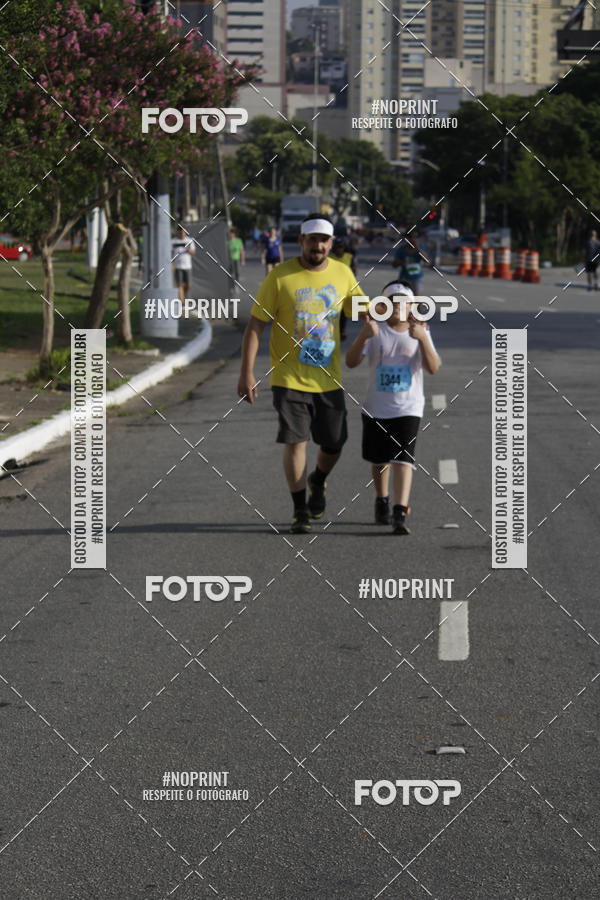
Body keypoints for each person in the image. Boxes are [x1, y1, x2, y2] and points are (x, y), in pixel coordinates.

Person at [237, 213, 362, 534]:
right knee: (296, 441)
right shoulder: (280, 278)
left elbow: (361, 309)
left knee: (334, 443)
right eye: (312, 239)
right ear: (301, 241)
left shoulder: (343, 273)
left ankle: (317, 479)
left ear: (331, 244)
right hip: (288, 377)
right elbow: (255, 326)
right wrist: (247, 372)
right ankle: (300, 509)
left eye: (324, 240)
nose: (318, 245)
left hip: (328, 378)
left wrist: (401, 313)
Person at [345, 280, 440, 535]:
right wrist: (364, 335)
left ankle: (400, 511)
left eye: (403, 301)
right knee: (379, 461)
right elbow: (351, 362)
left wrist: (422, 339)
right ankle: (382, 499)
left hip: (409, 407)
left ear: (411, 306)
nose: (397, 306)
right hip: (376, 407)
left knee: (403, 459)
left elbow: (433, 367)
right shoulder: (374, 330)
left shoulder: (419, 331)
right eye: (392, 301)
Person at [331, 237, 358, 341]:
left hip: (345, 287)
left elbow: (354, 271)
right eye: (337, 247)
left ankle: (342, 330)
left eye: (341, 247)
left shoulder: (349, 257)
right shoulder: (330, 258)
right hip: (333, 288)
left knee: (343, 311)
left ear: (344, 248)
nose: (339, 249)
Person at [171, 225, 195, 302]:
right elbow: (171, 254)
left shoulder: (189, 241)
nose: (181, 234)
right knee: (179, 284)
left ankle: (183, 296)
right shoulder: (173, 241)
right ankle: (182, 302)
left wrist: (188, 250)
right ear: (177, 232)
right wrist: (172, 265)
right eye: (180, 232)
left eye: (183, 232)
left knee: (188, 285)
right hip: (178, 266)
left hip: (187, 266)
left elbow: (193, 252)